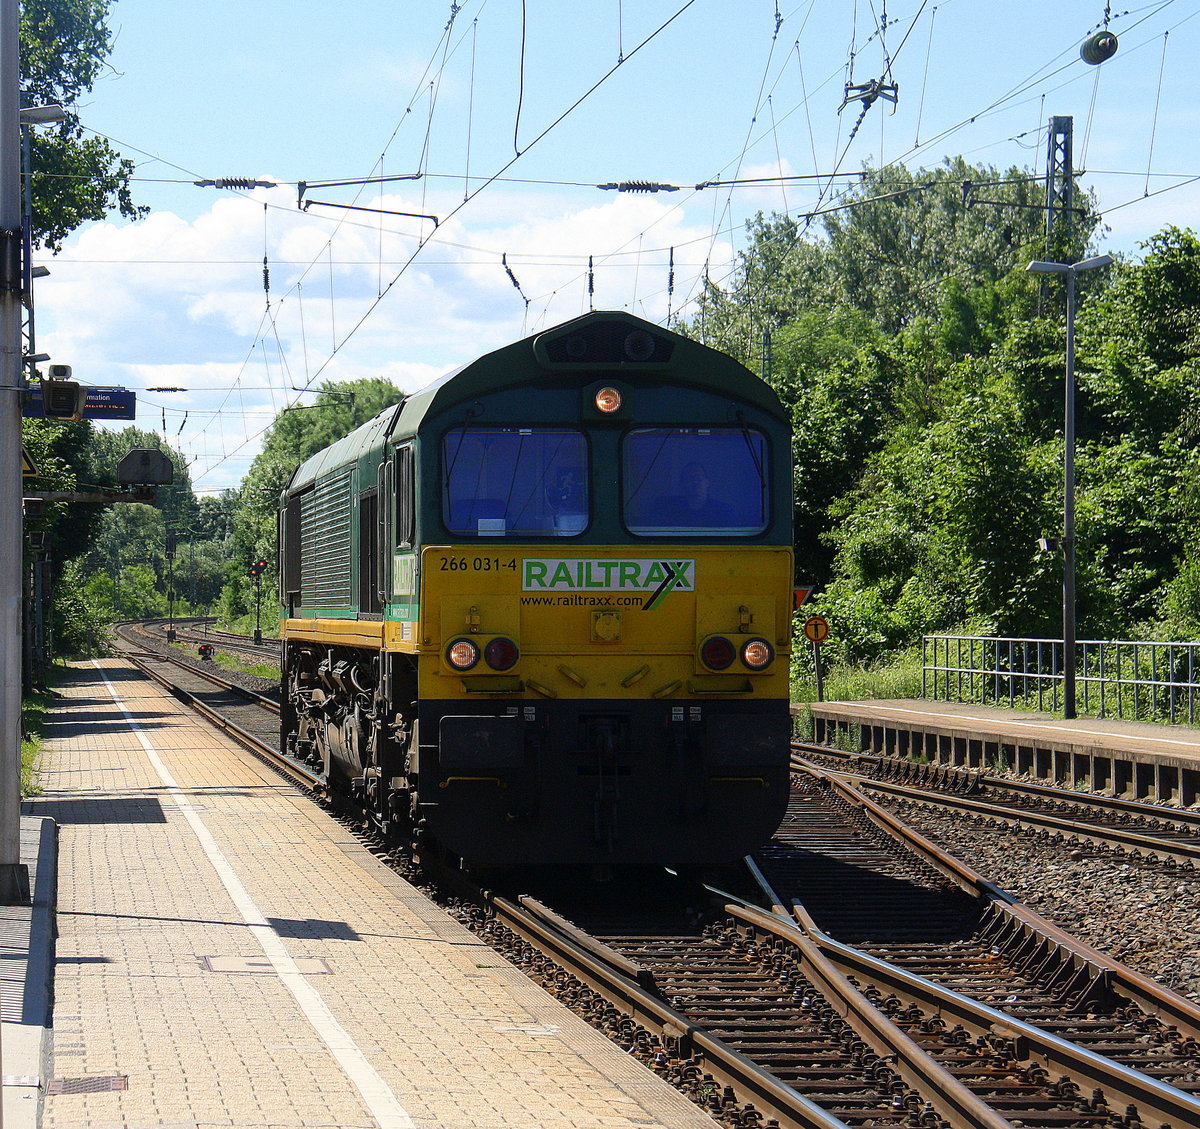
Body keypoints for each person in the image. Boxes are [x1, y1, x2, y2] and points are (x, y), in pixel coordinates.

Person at [658, 462, 733, 526]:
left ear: (707, 482)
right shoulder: (670, 510)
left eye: (699, 478)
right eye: (690, 478)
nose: (695, 482)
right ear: (682, 484)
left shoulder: (723, 511)